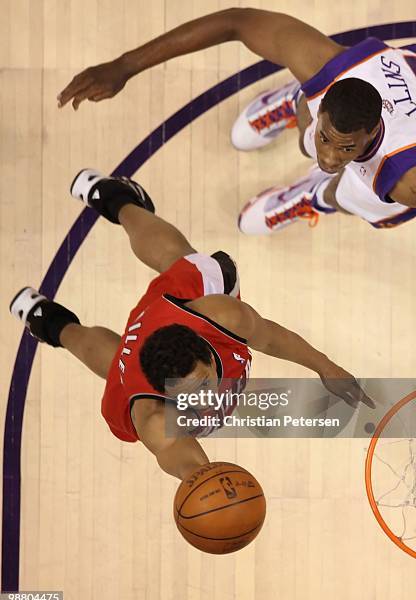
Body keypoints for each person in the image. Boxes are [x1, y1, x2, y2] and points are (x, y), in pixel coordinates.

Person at [10, 170, 373, 480]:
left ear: (208, 351)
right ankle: (50, 323)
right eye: (185, 393)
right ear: (163, 389)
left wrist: (326, 367)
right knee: (115, 366)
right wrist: (204, 483)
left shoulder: (223, 317)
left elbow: (273, 339)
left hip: (174, 306)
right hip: (139, 364)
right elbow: (184, 460)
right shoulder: (152, 416)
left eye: (200, 384)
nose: (200, 398)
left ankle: (117, 199)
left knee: (180, 259)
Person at [56, 8, 416, 234]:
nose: (332, 159)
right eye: (329, 140)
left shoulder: (405, 182)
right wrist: (125, 65)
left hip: (394, 164)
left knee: (358, 200)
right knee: (310, 142)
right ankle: (295, 100)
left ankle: (313, 196)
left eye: (347, 148)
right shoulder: (325, 63)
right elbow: (235, 23)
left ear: (371, 133)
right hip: (345, 100)